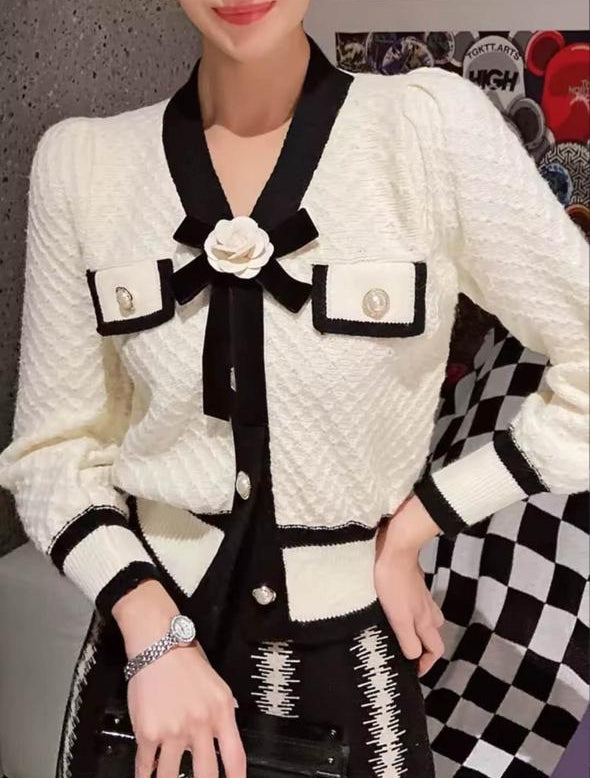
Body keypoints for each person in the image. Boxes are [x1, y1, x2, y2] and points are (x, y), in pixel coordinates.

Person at [0, 1, 588, 777]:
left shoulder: (426, 132)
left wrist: (416, 525)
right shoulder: (83, 166)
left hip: (349, 674)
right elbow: (52, 453)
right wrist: (152, 633)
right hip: (145, 672)